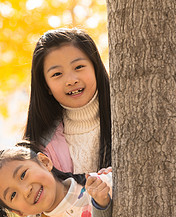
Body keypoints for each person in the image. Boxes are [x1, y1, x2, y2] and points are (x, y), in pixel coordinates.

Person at [23, 27, 111, 174]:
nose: (71, 80)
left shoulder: (126, 117)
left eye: (79, 67)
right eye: (57, 74)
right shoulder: (43, 148)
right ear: (47, 86)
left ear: (96, 68)